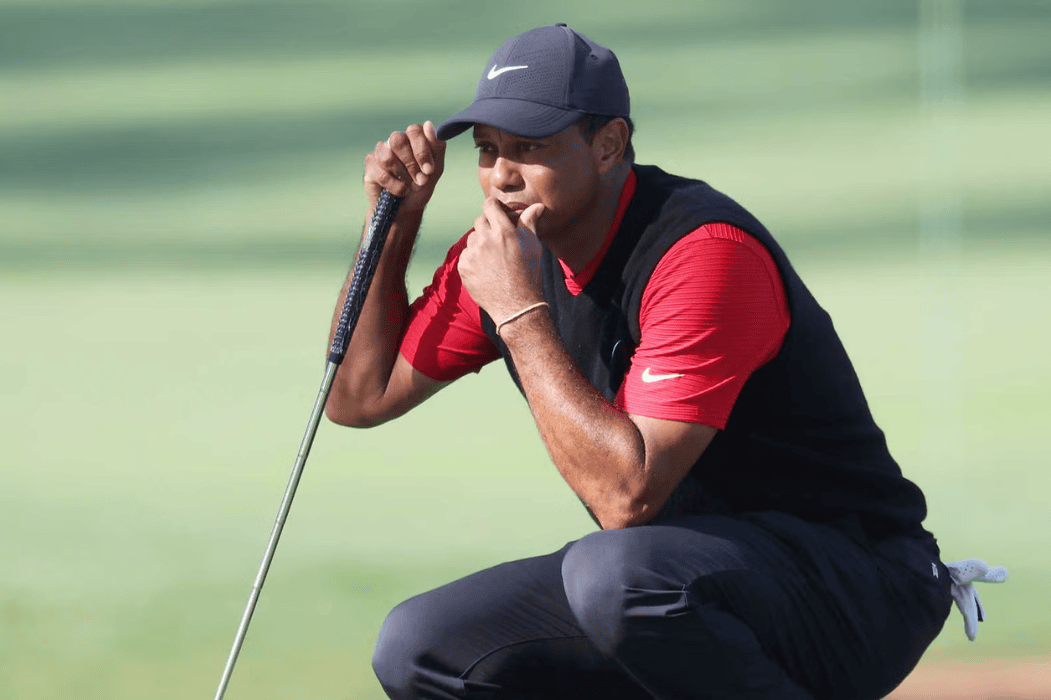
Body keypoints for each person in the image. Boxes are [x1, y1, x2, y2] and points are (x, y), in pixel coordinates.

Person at [325, 23, 958, 700]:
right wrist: (389, 226)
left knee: (616, 577)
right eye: (487, 150)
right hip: (681, 584)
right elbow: (358, 396)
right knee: (422, 644)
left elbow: (627, 496)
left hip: (856, 585)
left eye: (529, 147)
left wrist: (518, 313)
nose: (500, 177)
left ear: (608, 145)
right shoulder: (503, 255)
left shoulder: (704, 251)